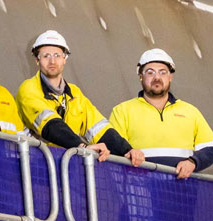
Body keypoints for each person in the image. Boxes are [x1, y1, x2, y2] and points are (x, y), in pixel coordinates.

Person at [16, 31, 139, 162]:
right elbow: (50, 125)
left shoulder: (75, 94)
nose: (52, 61)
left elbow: (99, 128)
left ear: (65, 59)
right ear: (37, 60)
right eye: (46, 56)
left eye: (57, 55)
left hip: (67, 166)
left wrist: (127, 150)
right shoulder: (29, 88)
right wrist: (82, 147)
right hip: (36, 164)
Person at [107, 49, 213, 177]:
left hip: (183, 188)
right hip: (139, 186)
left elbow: (211, 148)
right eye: (150, 72)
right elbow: (113, 147)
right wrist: (128, 152)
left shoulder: (190, 111)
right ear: (140, 76)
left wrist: (193, 162)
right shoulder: (122, 111)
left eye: (163, 72)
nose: (157, 78)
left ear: (170, 77)